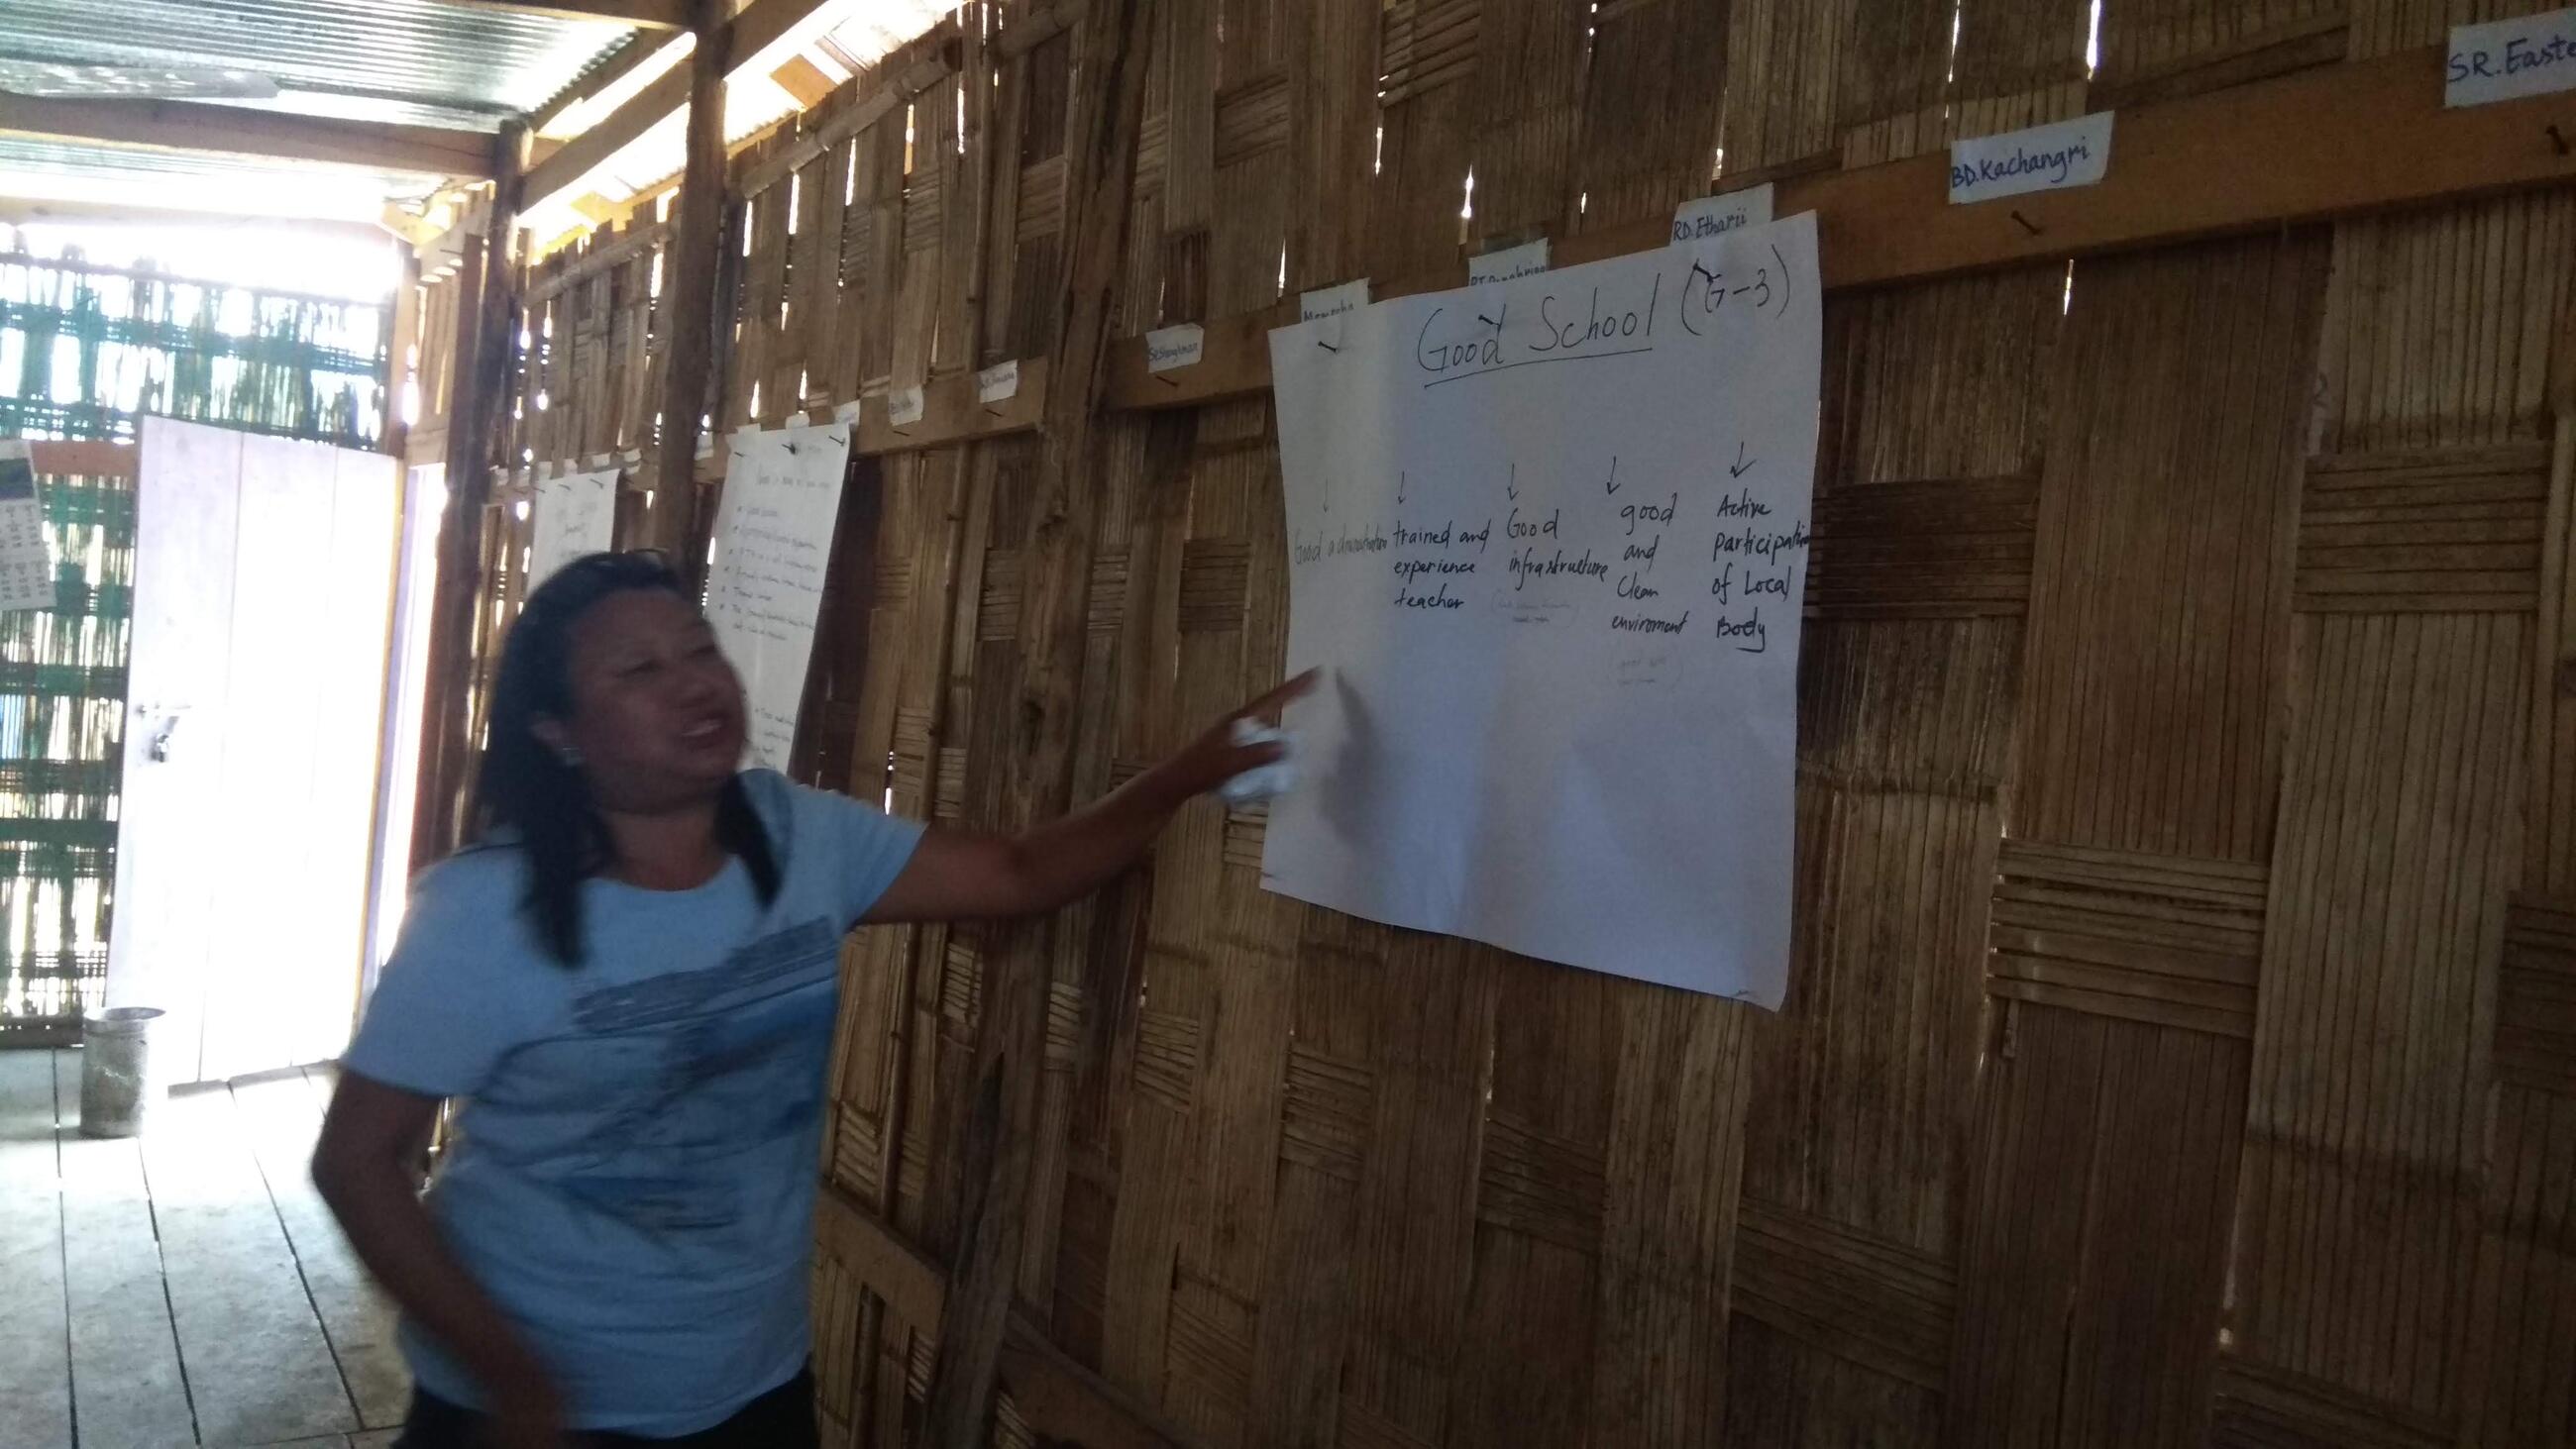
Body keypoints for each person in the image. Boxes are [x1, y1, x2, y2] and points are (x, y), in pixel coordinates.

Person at [314, 550, 1309, 1448]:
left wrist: (1188, 772)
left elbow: (1016, 873)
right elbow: (357, 1162)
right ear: (557, 730)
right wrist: (511, 1379)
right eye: (639, 670)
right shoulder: (485, 911)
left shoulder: (798, 838)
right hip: (529, 1413)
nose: (696, 683)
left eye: (699, 648)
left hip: (753, 1387)